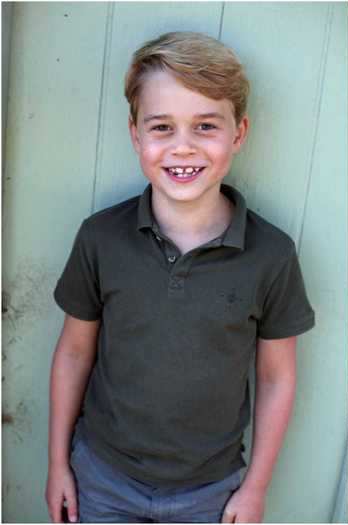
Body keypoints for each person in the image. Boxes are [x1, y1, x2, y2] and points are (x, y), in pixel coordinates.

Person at [45, 32, 315, 523]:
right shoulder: (100, 238)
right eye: (162, 127)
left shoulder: (271, 254)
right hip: (101, 479)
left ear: (239, 133)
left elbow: (277, 376)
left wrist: (255, 489)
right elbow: (74, 351)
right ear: (135, 135)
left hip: (210, 492)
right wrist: (57, 464)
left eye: (206, 126)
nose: (182, 147)